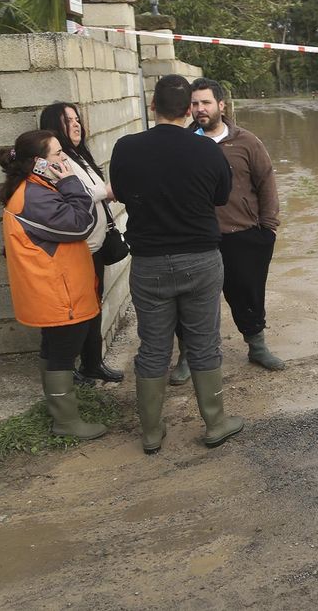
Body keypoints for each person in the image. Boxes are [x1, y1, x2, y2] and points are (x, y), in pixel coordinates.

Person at [110, 74, 243, 453]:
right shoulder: (207, 151)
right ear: (189, 110)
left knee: (153, 346)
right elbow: (221, 196)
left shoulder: (125, 148)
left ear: (152, 106)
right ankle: (215, 423)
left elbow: (119, 192)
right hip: (201, 260)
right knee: (204, 342)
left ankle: (152, 433)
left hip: (149, 262)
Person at [165, 77, 284, 384]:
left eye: (205, 102)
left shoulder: (246, 142)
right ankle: (188, 356)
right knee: (190, 300)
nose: (199, 109)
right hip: (196, 238)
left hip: (242, 234)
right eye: (194, 104)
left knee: (248, 293)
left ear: (221, 105)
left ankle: (257, 346)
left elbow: (266, 183)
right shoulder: (182, 143)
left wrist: (267, 230)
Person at [0, 129, 105, 440]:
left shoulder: (35, 188)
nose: (64, 159)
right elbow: (80, 224)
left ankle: (59, 411)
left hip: (55, 289)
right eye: (57, 154)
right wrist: (71, 182)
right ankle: (66, 423)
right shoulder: (34, 196)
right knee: (62, 352)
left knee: (54, 348)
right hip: (57, 293)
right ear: (38, 163)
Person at [38, 102, 125, 387]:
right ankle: (67, 369)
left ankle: (92, 363)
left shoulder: (77, 155)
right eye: (68, 121)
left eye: (77, 119)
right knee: (71, 314)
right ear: (53, 126)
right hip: (76, 252)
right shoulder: (54, 160)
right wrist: (109, 190)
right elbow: (82, 193)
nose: (76, 125)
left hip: (93, 247)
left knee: (93, 309)